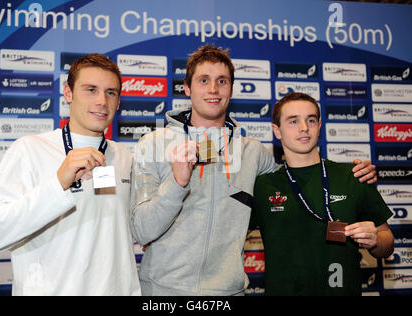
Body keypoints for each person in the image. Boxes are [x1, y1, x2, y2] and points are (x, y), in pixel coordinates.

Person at [130, 44, 377, 296]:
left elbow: (297, 181)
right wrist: (176, 183)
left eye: (222, 81)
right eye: (204, 80)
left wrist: (351, 173)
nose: (213, 89)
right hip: (162, 292)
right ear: (187, 88)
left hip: (228, 292)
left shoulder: (253, 152)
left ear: (231, 89)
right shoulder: (153, 144)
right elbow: (142, 230)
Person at [0, 54, 141, 296]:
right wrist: (58, 183)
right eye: (91, 90)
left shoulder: (125, 157)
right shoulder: (29, 149)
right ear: (68, 93)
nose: (102, 101)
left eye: (111, 92)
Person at [251, 92, 394, 296]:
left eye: (311, 120)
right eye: (293, 121)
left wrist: (375, 241)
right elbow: (227, 235)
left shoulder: (353, 176)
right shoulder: (263, 185)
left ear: (319, 126)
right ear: (277, 131)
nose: (304, 128)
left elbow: (386, 241)